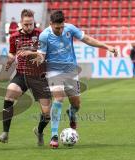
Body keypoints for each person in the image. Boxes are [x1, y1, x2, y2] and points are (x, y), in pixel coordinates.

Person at [20, 10, 118, 148]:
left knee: (76, 104)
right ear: (51, 24)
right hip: (54, 71)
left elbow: (87, 39)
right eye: (57, 28)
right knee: (59, 98)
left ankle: (71, 113)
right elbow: (42, 55)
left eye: (61, 27)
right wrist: (38, 57)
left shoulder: (70, 29)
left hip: (71, 71)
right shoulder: (44, 36)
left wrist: (107, 46)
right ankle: (54, 136)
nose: (60, 30)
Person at [0, 9, 52, 146]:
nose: (28, 27)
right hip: (21, 75)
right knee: (9, 95)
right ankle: (5, 134)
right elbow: (12, 52)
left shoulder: (41, 35)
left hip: (38, 76)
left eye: (30, 24)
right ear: (21, 23)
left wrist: (31, 53)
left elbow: (46, 54)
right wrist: (10, 59)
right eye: (25, 24)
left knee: (47, 114)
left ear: (34, 22)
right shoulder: (14, 37)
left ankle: (39, 131)